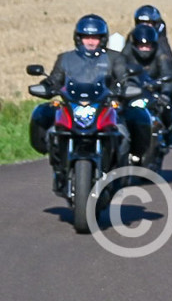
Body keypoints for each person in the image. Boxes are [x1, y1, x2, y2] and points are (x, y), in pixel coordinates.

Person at [30, 14, 150, 178]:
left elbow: (124, 78)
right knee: (51, 126)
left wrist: (125, 88)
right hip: (73, 107)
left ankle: (120, 172)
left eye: (95, 37)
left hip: (106, 108)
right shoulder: (66, 58)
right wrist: (46, 87)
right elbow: (54, 80)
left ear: (103, 39)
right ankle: (59, 167)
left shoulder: (115, 58)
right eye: (87, 37)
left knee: (123, 133)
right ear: (78, 38)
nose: (91, 42)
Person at [121, 23, 172, 152]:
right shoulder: (126, 53)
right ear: (135, 44)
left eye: (148, 46)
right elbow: (118, 71)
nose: (145, 49)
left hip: (154, 89)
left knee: (167, 107)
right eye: (141, 46)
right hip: (133, 89)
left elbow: (167, 74)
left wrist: (165, 93)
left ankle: (169, 135)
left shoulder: (160, 54)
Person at [128, 4, 172, 123]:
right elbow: (122, 59)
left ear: (156, 24)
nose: (145, 26)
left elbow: (169, 63)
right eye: (141, 23)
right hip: (136, 79)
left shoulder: (160, 40)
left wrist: (162, 80)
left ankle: (170, 117)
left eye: (149, 23)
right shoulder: (132, 37)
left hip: (156, 79)